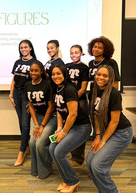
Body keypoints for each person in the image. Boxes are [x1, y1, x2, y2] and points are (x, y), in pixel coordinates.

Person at [86, 65, 133, 193]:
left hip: (121, 133)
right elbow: (96, 115)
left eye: (105, 76)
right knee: (90, 162)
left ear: (111, 78)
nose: (100, 77)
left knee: (98, 166)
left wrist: (102, 142)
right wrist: (97, 136)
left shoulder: (114, 93)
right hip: (105, 131)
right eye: (99, 74)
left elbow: (114, 121)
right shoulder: (94, 92)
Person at [49, 64, 91, 193]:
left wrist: (63, 132)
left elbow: (73, 114)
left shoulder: (70, 89)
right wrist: (59, 128)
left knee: (59, 152)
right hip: (70, 126)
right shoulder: (57, 88)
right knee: (52, 148)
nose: (56, 76)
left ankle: (73, 181)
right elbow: (60, 111)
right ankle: (67, 179)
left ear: (64, 74)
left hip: (81, 127)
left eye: (58, 73)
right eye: (53, 74)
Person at [25, 60, 56, 178]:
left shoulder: (47, 84)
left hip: (51, 118)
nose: (33, 72)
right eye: (31, 70)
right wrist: (36, 124)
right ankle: (36, 169)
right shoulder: (28, 85)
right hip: (39, 118)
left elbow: (51, 106)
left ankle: (46, 169)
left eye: (36, 70)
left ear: (41, 71)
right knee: (32, 142)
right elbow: (31, 106)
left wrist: (42, 126)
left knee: (40, 143)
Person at [9, 39, 37, 166]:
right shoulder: (17, 62)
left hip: (27, 95)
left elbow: (37, 81)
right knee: (21, 121)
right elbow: (14, 79)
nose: (23, 49)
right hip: (17, 93)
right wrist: (10, 94)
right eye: (21, 47)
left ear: (30, 48)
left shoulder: (35, 63)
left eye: (26, 47)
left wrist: (31, 98)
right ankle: (26, 146)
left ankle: (21, 151)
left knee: (25, 123)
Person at [65, 45, 89, 168]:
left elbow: (83, 88)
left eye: (76, 52)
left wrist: (72, 99)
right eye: (72, 53)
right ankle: (72, 155)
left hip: (80, 101)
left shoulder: (84, 68)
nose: (74, 55)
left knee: (79, 129)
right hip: (68, 101)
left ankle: (78, 159)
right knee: (70, 128)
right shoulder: (67, 66)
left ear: (81, 53)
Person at [88, 36, 120, 102]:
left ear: (105, 50)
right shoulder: (91, 63)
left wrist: (109, 99)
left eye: (100, 48)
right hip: (93, 97)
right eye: (95, 47)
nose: (96, 49)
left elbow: (115, 83)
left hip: (105, 99)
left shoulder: (111, 63)